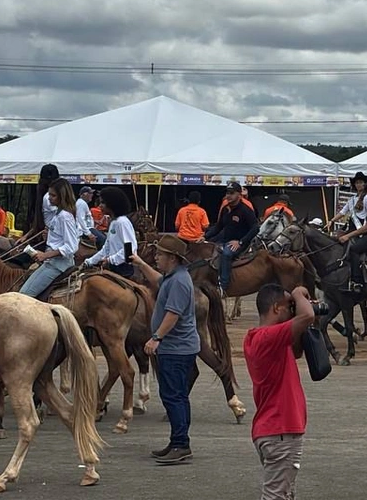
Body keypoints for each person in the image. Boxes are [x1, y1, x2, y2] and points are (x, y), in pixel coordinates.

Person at [129, 235, 201, 465]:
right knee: (174, 395)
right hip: (176, 348)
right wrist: (141, 264)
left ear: (172, 258)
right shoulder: (173, 277)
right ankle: (178, 441)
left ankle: (181, 443)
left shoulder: (179, 282)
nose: (156, 257)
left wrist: (156, 337)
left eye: (159, 254)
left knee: (174, 396)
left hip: (176, 349)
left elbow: (173, 314)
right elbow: (158, 280)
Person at [244, 283, 314, 500]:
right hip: (281, 431)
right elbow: (307, 316)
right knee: (275, 496)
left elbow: (299, 348)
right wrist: (298, 293)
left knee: (283, 494)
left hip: (273, 430)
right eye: (288, 307)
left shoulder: (256, 338)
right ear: (276, 308)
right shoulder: (269, 337)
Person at [19, 179, 80, 299]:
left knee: (23, 296)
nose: (49, 198)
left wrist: (45, 255)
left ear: (62, 197)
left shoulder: (65, 217)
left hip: (57, 264)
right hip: (54, 261)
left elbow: (71, 247)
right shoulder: (58, 214)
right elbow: (60, 239)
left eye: (53, 195)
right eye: (49, 194)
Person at [204, 182, 260, 292]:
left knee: (226, 254)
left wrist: (240, 242)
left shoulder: (245, 210)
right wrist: (205, 237)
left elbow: (255, 228)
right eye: (227, 193)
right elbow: (218, 226)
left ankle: (223, 286)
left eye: (232, 193)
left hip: (241, 243)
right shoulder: (226, 209)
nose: (228, 195)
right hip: (225, 240)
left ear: (239, 195)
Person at [83, 187, 138, 276]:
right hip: (113, 268)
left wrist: (110, 260)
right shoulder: (113, 222)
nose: (100, 206)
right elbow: (106, 248)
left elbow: (130, 249)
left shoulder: (122, 222)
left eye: (103, 203)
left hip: (123, 270)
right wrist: (89, 262)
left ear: (113, 204)